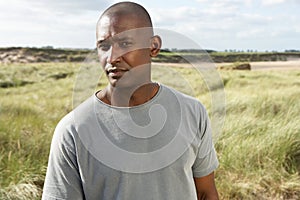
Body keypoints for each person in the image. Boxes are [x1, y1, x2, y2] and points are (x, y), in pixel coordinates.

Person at [42, 1, 219, 200]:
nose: (112, 57)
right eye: (104, 46)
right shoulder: (73, 130)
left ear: (153, 46)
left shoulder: (192, 112)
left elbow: (205, 192)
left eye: (125, 43)